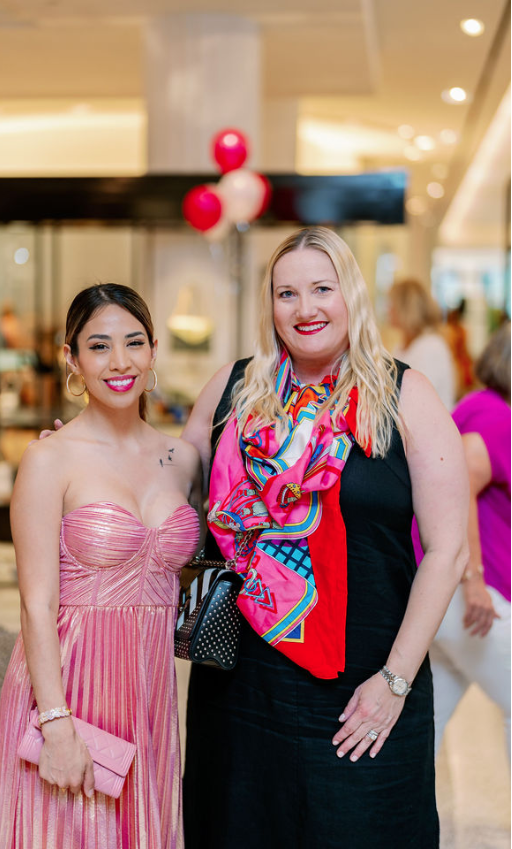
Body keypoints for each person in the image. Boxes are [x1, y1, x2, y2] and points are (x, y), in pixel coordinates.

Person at [181, 227, 468, 848]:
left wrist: (394, 681)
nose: (305, 308)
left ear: (352, 296)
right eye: (287, 293)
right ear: (271, 305)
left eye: (321, 288)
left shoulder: (403, 395)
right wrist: (86, 449)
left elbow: (449, 552)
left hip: (365, 693)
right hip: (242, 690)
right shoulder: (236, 388)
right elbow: (169, 473)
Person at [0, 283, 201, 848]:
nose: (120, 362)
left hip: (150, 691)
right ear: (72, 358)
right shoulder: (48, 459)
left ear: (154, 350)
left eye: (134, 343)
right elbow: (37, 604)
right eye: (99, 345)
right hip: (70, 685)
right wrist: (56, 723)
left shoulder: (183, 459)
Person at [429, 322, 511, 757]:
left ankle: (395, 821)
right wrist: (473, 580)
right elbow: (457, 485)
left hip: (453, 595)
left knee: (431, 720)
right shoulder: (497, 417)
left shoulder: (483, 406)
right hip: (471, 596)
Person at [388, 277, 456, 409]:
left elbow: (415, 398)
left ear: (405, 308)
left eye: (392, 304)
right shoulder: (402, 345)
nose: (388, 310)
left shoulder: (431, 346)